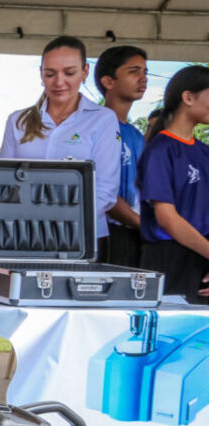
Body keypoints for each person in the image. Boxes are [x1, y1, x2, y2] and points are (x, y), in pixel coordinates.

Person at [0, 36, 121, 259]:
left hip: (83, 237)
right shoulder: (18, 121)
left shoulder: (103, 119)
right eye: (50, 73)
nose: (59, 81)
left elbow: (105, 190)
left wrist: (59, 224)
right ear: (41, 74)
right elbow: (5, 183)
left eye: (69, 72)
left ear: (85, 72)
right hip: (25, 236)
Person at [137, 65, 209, 304]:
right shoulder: (160, 149)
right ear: (188, 97)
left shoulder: (203, 151)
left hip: (201, 257)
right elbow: (167, 217)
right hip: (168, 259)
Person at [94, 45, 148, 267]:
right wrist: (143, 224)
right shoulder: (96, 127)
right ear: (108, 81)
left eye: (145, 72)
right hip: (108, 234)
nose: (143, 78)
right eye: (134, 71)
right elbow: (102, 191)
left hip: (135, 232)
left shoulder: (135, 134)